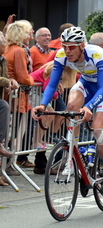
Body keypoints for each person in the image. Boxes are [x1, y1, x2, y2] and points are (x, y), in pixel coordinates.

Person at [31, 27, 103, 198]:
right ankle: (72, 155)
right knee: (71, 107)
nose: (67, 50)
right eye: (64, 46)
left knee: (98, 128)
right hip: (86, 84)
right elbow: (51, 84)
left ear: (82, 46)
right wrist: (43, 104)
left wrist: (89, 106)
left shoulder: (97, 54)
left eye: (71, 47)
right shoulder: (61, 55)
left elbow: (102, 87)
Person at [3, 20, 35, 167]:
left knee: (8, 131)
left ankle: (7, 164)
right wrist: (33, 80)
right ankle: (8, 165)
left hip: (11, 95)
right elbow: (23, 77)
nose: (31, 33)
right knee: (13, 132)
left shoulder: (9, 49)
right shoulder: (18, 50)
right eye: (29, 30)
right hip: (15, 97)